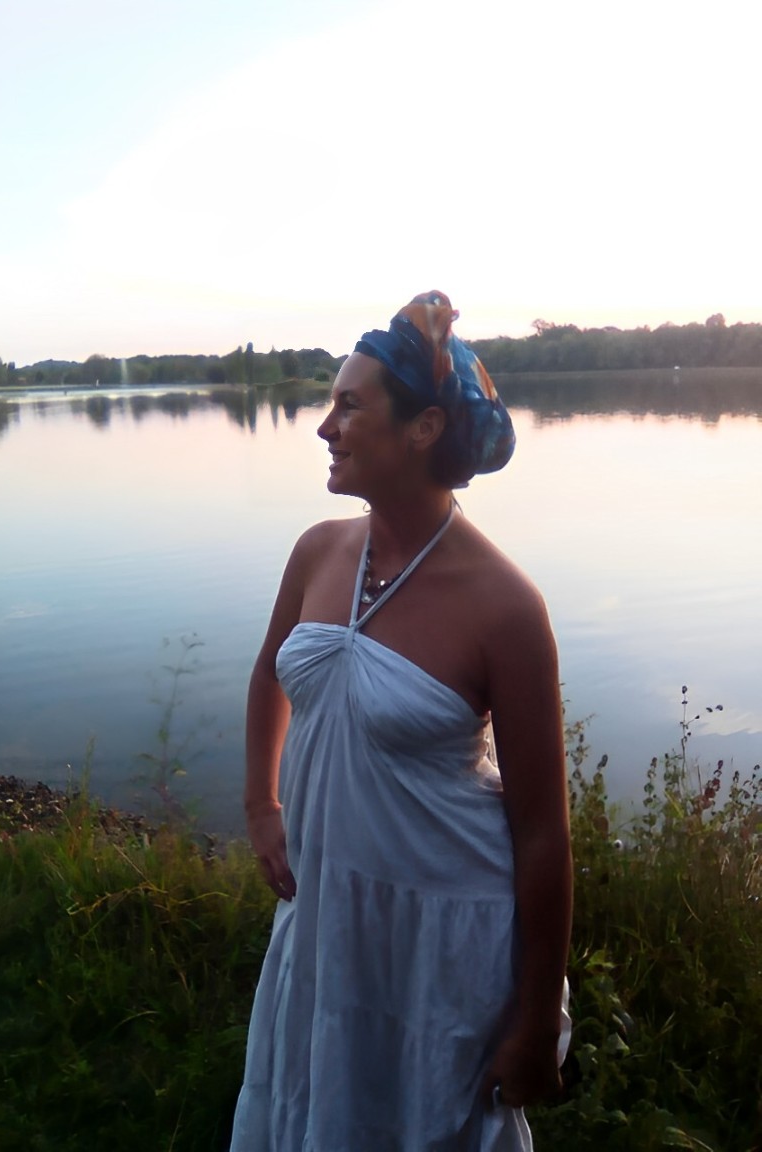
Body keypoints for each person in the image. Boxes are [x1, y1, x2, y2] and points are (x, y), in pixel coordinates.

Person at [230, 291, 572, 1151]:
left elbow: (542, 833)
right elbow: (269, 675)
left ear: (423, 428)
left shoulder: (505, 605)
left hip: (444, 929)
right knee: (323, 1099)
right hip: (327, 908)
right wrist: (262, 806)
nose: (325, 427)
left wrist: (536, 1019)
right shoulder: (318, 551)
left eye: (349, 405)